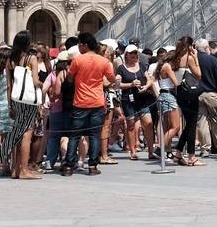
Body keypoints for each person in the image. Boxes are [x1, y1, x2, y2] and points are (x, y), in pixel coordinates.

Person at [61, 33, 115, 177]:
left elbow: (70, 79)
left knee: (74, 136)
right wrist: (101, 85)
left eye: (80, 45)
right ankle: (92, 167)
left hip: (80, 102)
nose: (79, 47)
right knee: (94, 135)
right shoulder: (103, 62)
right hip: (97, 102)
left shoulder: (78, 60)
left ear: (85, 45)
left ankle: (68, 167)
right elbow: (112, 79)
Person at [1, 31, 42, 179]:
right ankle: (24, 170)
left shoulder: (10, 60)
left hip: (16, 99)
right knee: (26, 134)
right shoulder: (31, 58)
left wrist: (10, 104)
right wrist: (43, 85)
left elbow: (9, 85)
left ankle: (15, 169)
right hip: (28, 101)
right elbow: (36, 81)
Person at [115, 45, 154, 160]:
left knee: (148, 124)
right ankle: (132, 150)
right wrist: (130, 85)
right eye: (131, 54)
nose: (134, 56)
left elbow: (149, 79)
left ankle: (151, 151)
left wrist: (146, 87)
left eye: (135, 54)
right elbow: (117, 84)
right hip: (128, 99)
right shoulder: (121, 68)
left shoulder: (141, 66)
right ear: (126, 55)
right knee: (131, 125)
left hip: (142, 98)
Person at [170, 36, 203, 166]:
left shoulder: (174, 58)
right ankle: (191, 156)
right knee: (192, 125)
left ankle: (178, 153)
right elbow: (199, 75)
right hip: (190, 94)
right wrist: (196, 59)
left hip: (180, 94)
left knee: (188, 124)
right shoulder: (189, 58)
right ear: (189, 46)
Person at [194, 38, 217, 156]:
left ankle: (205, 148)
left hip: (198, 94)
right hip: (212, 94)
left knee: (202, 122)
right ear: (207, 48)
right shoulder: (212, 59)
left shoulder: (194, 60)